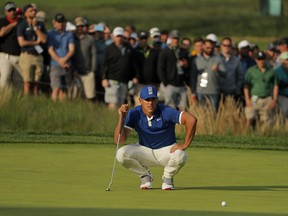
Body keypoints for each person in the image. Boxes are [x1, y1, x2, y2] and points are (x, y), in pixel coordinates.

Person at [115, 85, 197, 190]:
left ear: (157, 100)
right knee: (121, 154)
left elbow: (191, 120)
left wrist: (185, 144)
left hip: (167, 151)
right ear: (140, 100)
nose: (150, 102)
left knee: (181, 155)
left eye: (153, 99)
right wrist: (121, 118)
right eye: (147, 99)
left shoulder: (166, 111)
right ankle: (145, 176)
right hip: (144, 151)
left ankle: (167, 178)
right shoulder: (134, 113)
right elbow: (119, 140)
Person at [102, 26, 138, 109]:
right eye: (117, 36)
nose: (119, 38)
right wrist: (104, 78)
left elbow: (133, 64)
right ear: (114, 37)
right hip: (112, 80)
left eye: (121, 36)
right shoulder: (109, 49)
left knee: (120, 103)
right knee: (113, 102)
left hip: (124, 80)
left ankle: (118, 120)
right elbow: (105, 65)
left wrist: (135, 76)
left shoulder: (128, 48)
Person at [17, 3, 47, 95]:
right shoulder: (22, 25)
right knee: (27, 81)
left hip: (38, 56)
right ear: (25, 14)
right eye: (31, 11)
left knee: (37, 82)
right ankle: (27, 100)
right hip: (27, 56)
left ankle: (35, 99)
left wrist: (35, 28)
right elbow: (21, 42)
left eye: (35, 10)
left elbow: (44, 39)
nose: (34, 12)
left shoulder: (40, 25)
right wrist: (35, 43)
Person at [243, 51, 278, 127]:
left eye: (263, 59)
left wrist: (274, 99)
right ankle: (248, 135)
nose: (261, 61)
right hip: (254, 98)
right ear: (256, 60)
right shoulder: (251, 71)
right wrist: (247, 99)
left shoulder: (271, 70)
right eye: (259, 59)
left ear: (266, 59)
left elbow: (276, 85)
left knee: (267, 121)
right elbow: (246, 86)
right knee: (250, 117)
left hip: (267, 98)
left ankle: (264, 135)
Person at [157, 29, 190, 111]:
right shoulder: (165, 52)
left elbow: (188, 67)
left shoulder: (183, 51)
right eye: (174, 38)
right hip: (170, 84)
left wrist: (186, 65)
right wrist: (165, 83)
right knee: (170, 107)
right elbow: (160, 68)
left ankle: (181, 124)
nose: (176, 40)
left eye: (177, 38)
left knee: (183, 107)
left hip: (181, 84)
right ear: (170, 39)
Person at [191, 39, 226, 111]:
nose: (210, 50)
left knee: (213, 113)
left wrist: (218, 70)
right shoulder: (196, 59)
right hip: (200, 91)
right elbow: (193, 77)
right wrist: (193, 92)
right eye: (207, 48)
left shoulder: (218, 59)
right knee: (202, 112)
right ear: (203, 46)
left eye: (211, 48)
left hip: (214, 91)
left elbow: (225, 74)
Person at [47, 13, 75, 101]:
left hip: (67, 64)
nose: (60, 24)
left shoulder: (69, 35)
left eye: (62, 22)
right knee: (56, 88)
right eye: (58, 22)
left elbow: (71, 50)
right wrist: (60, 61)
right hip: (55, 64)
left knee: (65, 89)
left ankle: (63, 107)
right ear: (54, 22)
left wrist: (64, 60)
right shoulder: (51, 34)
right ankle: (54, 105)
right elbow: (50, 50)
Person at [72, 16, 96, 101]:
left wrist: (92, 70)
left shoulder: (90, 39)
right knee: (75, 95)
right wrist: (73, 70)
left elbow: (93, 56)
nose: (79, 28)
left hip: (88, 72)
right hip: (75, 72)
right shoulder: (71, 38)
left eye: (81, 26)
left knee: (90, 96)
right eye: (77, 27)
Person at [0, 1, 22, 89]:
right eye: (9, 10)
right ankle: (2, 98)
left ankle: (16, 101)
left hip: (18, 57)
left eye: (13, 10)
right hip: (5, 56)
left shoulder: (22, 22)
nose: (12, 12)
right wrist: (13, 24)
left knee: (18, 82)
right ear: (5, 12)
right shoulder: (2, 21)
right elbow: (1, 33)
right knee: (5, 78)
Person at [219, 37, 244, 101]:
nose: (226, 47)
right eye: (224, 45)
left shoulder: (236, 61)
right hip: (218, 92)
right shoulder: (215, 59)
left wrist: (237, 88)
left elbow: (240, 76)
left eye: (229, 45)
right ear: (221, 46)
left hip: (232, 91)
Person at [274, 52, 288, 120]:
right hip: (282, 95)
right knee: (284, 111)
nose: (287, 61)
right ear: (281, 60)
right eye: (286, 59)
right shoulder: (276, 71)